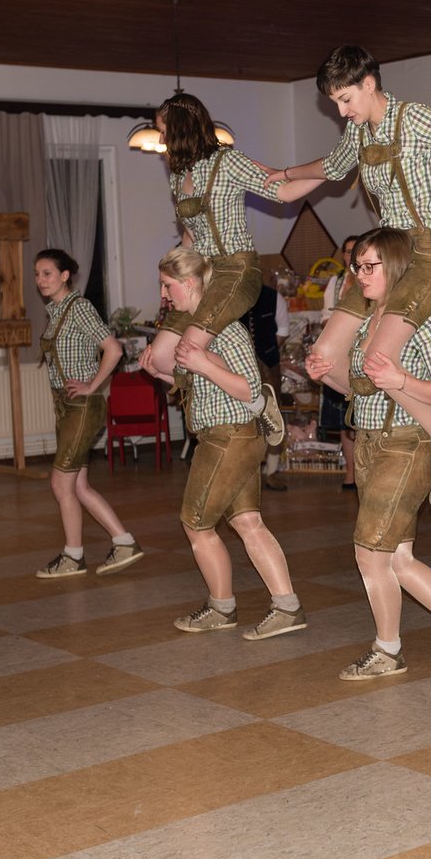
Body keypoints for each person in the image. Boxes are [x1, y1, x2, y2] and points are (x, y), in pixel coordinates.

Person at [267, 46, 431, 509]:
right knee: (324, 357)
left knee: (376, 357)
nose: (342, 111)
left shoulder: (413, 117)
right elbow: (332, 167)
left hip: (429, 255)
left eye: (345, 99)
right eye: (335, 103)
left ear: (369, 84)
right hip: (385, 256)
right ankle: (381, 417)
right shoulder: (358, 133)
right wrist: (282, 173)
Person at [304, 227, 431, 683]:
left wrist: (402, 380)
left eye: (369, 266)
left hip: (407, 444)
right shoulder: (369, 322)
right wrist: (326, 375)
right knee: (397, 559)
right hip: (371, 444)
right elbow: (361, 389)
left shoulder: (420, 322)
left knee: (370, 551)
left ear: (394, 267)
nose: (359, 274)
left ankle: (388, 649)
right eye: (356, 266)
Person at [140, 92, 319, 447]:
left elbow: (284, 193)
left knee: (187, 352)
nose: (161, 139)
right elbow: (191, 236)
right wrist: (172, 275)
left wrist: (328, 172)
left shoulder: (227, 161)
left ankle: (254, 399)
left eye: (163, 130)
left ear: (181, 129)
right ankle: (244, 395)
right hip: (199, 275)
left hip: (235, 271)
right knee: (158, 358)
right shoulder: (178, 176)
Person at [151, 248, 306, 641]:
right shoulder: (200, 330)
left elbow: (251, 390)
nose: (164, 295)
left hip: (228, 438)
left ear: (189, 283)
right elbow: (204, 383)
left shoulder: (225, 328)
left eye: (167, 286)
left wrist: (202, 364)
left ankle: (221, 608)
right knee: (247, 522)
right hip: (232, 435)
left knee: (195, 524)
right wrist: (164, 373)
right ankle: (287, 607)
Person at [33, 248, 144, 580]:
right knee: (78, 486)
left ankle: (73, 555)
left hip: (82, 407)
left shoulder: (78, 308)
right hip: (67, 406)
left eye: (47, 273)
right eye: (37, 274)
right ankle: (123, 542)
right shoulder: (57, 311)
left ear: (65, 275)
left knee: (60, 483)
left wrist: (93, 385)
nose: (40, 280)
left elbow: (114, 349)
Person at [321, 235, 362, 489]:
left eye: (355, 250)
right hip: (340, 352)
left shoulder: (371, 279)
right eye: (347, 251)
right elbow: (325, 315)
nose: (350, 255)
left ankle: (365, 470)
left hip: (363, 350)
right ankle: (350, 471)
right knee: (344, 419)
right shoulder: (336, 282)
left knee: (363, 414)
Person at [246, 278, 289, 491]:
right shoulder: (231, 296)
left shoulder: (273, 297)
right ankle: (247, 473)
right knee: (245, 419)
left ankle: (272, 471)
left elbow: (283, 330)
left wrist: (266, 351)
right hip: (239, 369)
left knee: (272, 416)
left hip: (268, 366)